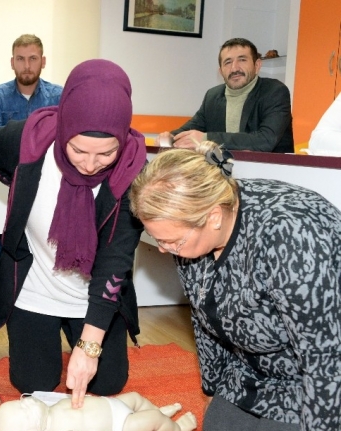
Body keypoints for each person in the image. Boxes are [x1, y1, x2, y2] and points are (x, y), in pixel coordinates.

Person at [129, 141, 341, 431]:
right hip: (253, 367)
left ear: (213, 217)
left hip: (316, 376)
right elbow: (205, 316)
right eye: (159, 239)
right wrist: (212, 390)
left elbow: (324, 356)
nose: (164, 250)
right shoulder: (193, 230)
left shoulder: (292, 237)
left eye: (172, 241)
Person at [0, 59, 147, 409]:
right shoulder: (29, 141)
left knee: (108, 383)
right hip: (35, 289)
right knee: (31, 383)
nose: (89, 165)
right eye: (78, 149)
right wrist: (20, 187)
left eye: (106, 153)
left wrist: (89, 346)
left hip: (93, 297)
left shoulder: (133, 171)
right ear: (63, 129)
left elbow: (115, 261)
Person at [0, 34, 64, 274]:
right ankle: (0, 256)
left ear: (43, 61)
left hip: (48, 167)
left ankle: (44, 255)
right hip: (8, 168)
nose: (27, 66)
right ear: (12, 62)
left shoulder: (59, 96)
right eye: (20, 59)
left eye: (32, 59)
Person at [156, 38, 293, 153]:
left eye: (242, 60)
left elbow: (265, 140)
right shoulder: (213, 96)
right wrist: (170, 137)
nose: (234, 68)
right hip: (222, 175)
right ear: (221, 71)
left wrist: (206, 139)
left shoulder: (275, 92)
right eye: (228, 62)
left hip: (271, 176)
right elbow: (192, 128)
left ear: (257, 65)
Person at [0, 392, 197, 431]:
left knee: (135, 397)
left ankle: (157, 414)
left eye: (20, 402)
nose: (26, 401)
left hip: (113, 405)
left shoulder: (48, 409)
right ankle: (176, 427)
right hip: (120, 426)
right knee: (152, 419)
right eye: (23, 409)